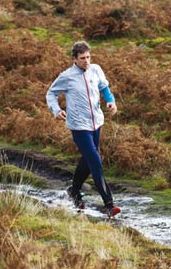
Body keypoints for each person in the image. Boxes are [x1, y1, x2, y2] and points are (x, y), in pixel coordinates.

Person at [46, 41, 121, 218]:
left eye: (88, 57)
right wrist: (56, 110)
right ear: (74, 59)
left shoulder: (96, 69)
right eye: (82, 58)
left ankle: (74, 189)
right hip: (79, 126)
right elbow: (51, 93)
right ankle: (109, 204)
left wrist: (111, 101)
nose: (86, 61)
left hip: (96, 122)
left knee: (88, 160)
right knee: (95, 160)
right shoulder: (67, 76)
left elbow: (104, 87)